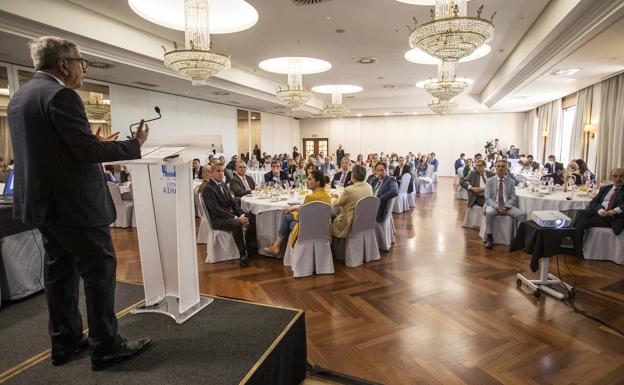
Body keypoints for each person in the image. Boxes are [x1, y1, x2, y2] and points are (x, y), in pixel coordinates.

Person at [7, 36, 151, 370]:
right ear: (63, 64)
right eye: (81, 62)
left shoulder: (20, 97)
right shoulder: (62, 95)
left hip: (44, 205)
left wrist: (91, 140)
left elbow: (55, 149)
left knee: (60, 274)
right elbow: (85, 153)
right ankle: (106, 346)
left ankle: (66, 341)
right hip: (76, 205)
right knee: (99, 272)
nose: (83, 69)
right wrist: (134, 144)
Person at [262, 170, 331, 255]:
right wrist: (295, 208)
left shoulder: (310, 197)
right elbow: (311, 210)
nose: (306, 181)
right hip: (322, 230)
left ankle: (276, 245)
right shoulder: (327, 196)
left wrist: (294, 212)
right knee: (288, 216)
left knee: (287, 217)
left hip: (307, 230)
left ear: (317, 182)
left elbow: (300, 217)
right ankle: (276, 246)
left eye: (309, 179)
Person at [202, 163, 256, 267]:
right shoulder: (209, 189)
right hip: (218, 219)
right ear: (212, 173)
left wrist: (242, 214)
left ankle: (251, 247)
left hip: (228, 214)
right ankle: (242, 254)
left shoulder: (222, 184)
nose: (221, 173)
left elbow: (233, 203)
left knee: (252, 217)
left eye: (222, 171)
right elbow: (216, 210)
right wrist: (236, 217)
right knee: (237, 224)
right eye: (218, 171)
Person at [483, 160, 526, 249]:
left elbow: (513, 198)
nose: (500, 168)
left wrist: (506, 207)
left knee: (522, 215)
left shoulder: (511, 181)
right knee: (490, 212)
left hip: (507, 206)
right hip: (493, 205)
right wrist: (497, 207)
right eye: (498, 166)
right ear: (495, 168)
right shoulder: (490, 181)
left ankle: (518, 239)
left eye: (503, 167)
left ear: (506, 169)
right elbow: (488, 198)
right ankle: (490, 237)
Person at [572, 168, 624, 239]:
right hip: (600, 214)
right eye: (615, 176)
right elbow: (594, 202)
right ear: (611, 178)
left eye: (621, 176)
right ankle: (576, 242)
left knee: (581, 221)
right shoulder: (605, 188)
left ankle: (575, 243)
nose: (618, 178)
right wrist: (600, 210)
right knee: (580, 213)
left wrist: (616, 210)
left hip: (614, 218)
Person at [331, 165, 373, 239]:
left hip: (350, 220)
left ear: (353, 175)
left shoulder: (349, 190)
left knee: (332, 214)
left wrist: (332, 198)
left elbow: (336, 204)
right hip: (365, 218)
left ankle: (336, 246)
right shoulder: (369, 187)